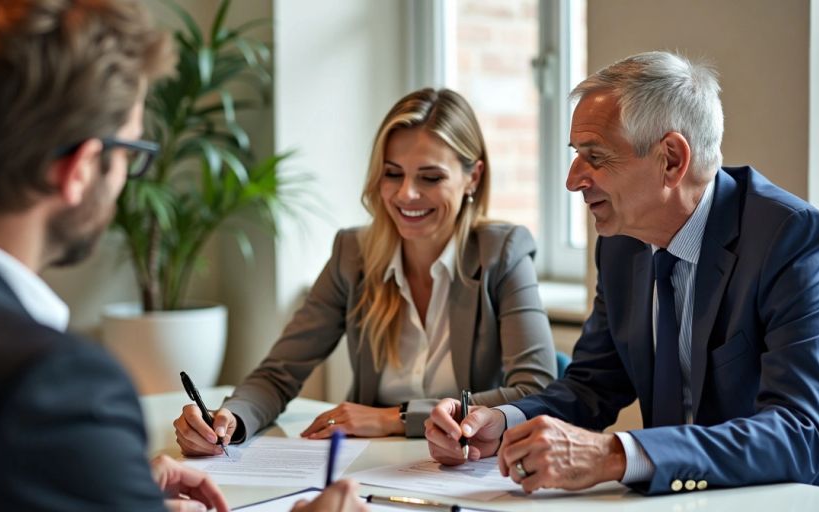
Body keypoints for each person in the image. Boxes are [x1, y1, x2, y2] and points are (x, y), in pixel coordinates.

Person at [0, 1, 362, 511]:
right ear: (80, 167)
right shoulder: (51, 386)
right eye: (129, 153)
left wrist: (106, 489)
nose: (127, 177)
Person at [424, 51, 819, 499]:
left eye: (596, 156)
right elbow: (593, 386)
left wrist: (615, 455)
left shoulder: (789, 237)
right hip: (690, 500)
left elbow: (800, 433)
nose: (573, 179)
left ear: (671, 158)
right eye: (575, 153)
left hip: (812, 498)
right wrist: (501, 422)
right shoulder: (620, 244)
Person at [174, 88, 557, 454]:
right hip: (369, 469)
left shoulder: (502, 252)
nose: (406, 193)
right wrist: (229, 420)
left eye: (430, 177)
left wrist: (396, 417)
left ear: (472, 177)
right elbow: (278, 374)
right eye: (393, 173)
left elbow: (536, 390)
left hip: (470, 468)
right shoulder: (352, 254)